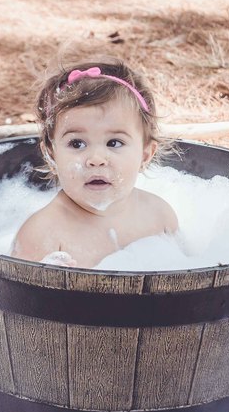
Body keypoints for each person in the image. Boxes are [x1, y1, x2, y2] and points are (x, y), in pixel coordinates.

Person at [11, 61, 178, 268]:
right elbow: (15, 297)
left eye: (114, 143)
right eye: (77, 143)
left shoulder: (159, 215)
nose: (96, 159)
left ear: (145, 155)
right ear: (51, 154)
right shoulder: (42, 234)